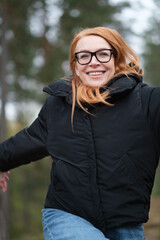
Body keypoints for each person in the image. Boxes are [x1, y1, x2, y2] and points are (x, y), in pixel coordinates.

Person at [0, 26, 159, 240]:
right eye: (84, 56)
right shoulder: (58, 105)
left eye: (103, 54)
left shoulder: (147, 101)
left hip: (126, 221)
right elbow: (27, 141)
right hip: (66, 215)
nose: (93, 62)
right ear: (75, 65)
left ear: (117, 58)